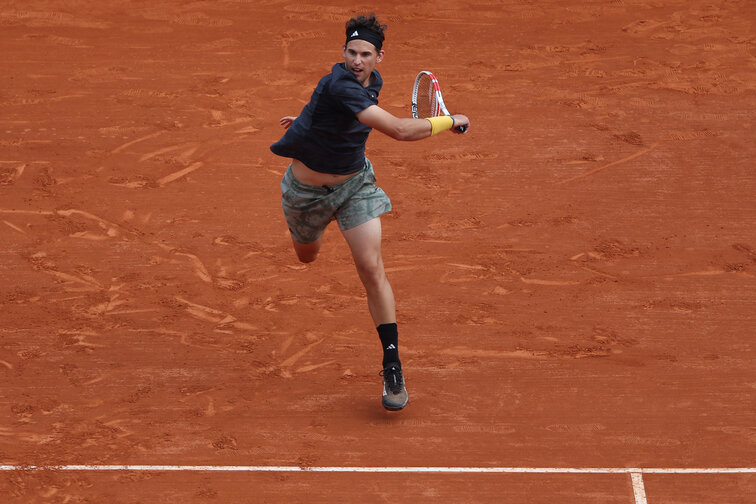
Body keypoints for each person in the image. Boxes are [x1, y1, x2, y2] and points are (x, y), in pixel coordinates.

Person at [270, 13, 470, 411]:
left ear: (379, 56)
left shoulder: (367, 83)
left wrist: (310, 121)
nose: (357, 60)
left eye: (365, 53)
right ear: (342, 52)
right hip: (306, 195)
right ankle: (317, 229)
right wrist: (451, 120)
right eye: (351, 52)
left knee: (371, 268)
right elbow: (398, 129)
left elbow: (330, 109)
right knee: (306, 256)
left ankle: (392, 365)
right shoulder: (340, 82)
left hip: (355, 185)